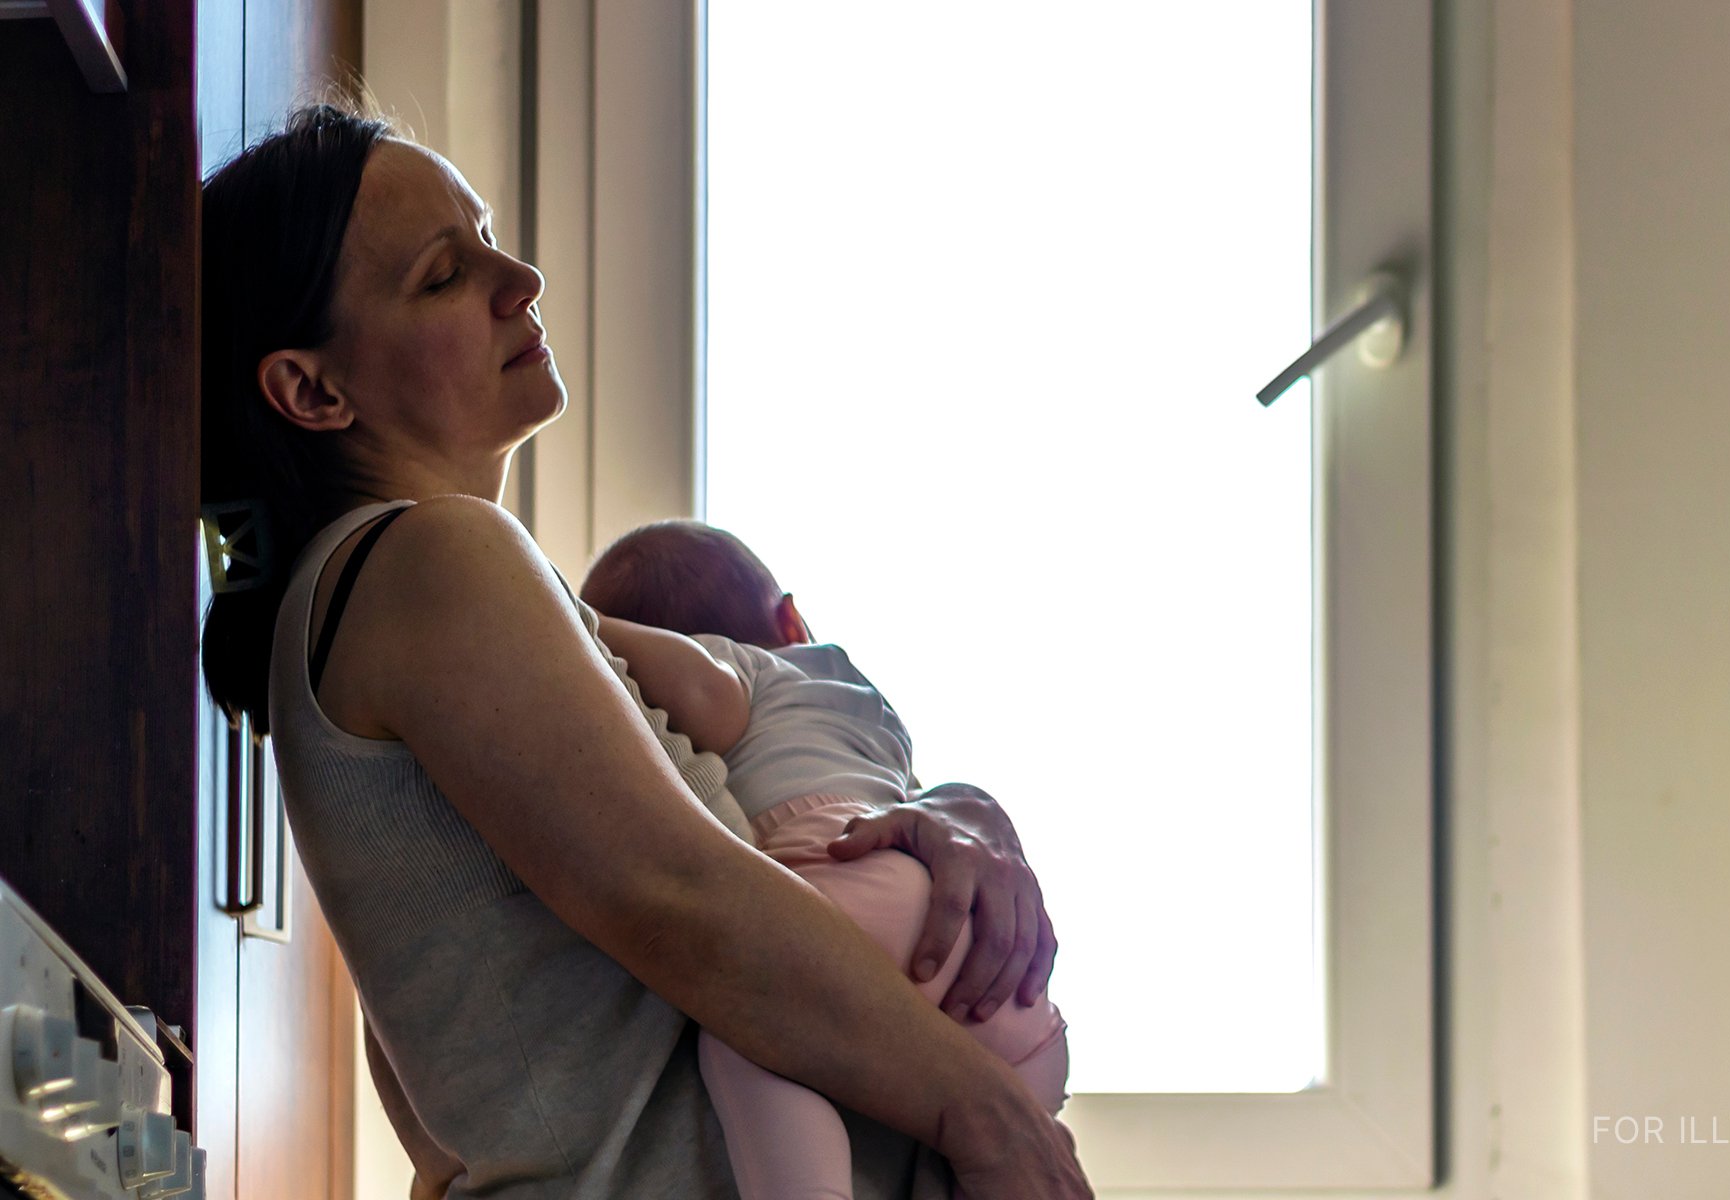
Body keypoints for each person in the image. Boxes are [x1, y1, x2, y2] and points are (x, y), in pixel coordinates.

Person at [198, 102, 1091, 1199]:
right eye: (444, 274)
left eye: (486, 234)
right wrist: (986, 1108)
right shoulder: (428, 556)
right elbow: (682, 894)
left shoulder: (396, 602)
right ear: (312, 390)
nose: (517, 276)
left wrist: (927, 813)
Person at [580, 520, 1071, 1200]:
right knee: (941, 1156)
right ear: (791, 617)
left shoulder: (737, 665)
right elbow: (914, 799)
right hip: (977, 961)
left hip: (835, 891)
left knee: (749, 1026)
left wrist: (582, 626)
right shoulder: (862, 699)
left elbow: (703, 702)